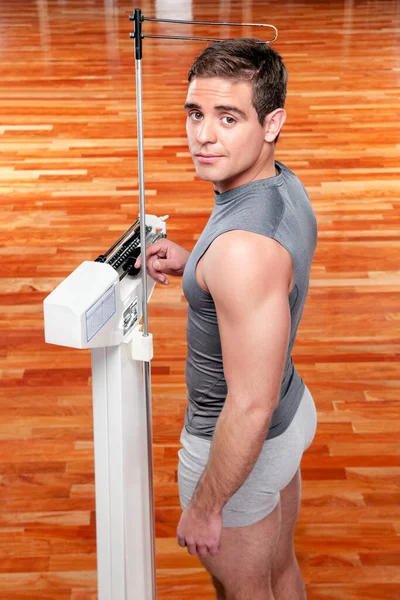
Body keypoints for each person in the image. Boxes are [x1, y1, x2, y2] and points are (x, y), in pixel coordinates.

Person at [135, 38, 318, 600]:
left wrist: (207, 504)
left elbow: (250, 402)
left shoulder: (241, 252)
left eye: (228, 117)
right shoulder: (281, 187)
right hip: (289, 416)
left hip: (238, 444)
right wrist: (198, 267)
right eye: (195, 113)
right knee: (279, 572)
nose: (203, 135)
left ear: (271, 123)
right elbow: (266, 283)